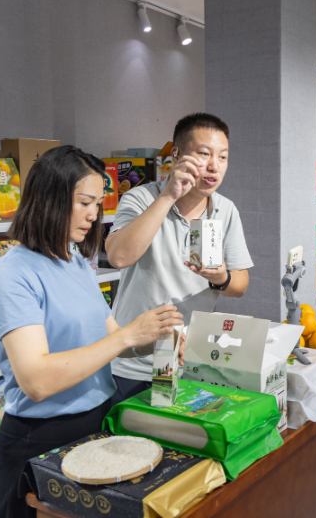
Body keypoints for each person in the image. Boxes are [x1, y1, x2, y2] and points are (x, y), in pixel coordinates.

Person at [0, 146, 184, 518]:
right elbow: (37, 381)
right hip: (40, 438)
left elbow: (111, 340)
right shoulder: (11, 276)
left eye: (98, 204)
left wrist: (153, 338)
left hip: (96, 424)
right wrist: (126, 336)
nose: (93, 215)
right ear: (49, 199)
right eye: (84, 203)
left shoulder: (75, 261)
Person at [106, 112, 253, 398]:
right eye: (204, 154)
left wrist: (221, 277)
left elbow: (240, 285)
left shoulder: (225, 210)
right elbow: (118, 257)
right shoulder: (140, 198)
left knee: (181, 427)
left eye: (223, 157)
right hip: (134, 362)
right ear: (176, 155)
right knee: (134, 426)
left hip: (192, 361)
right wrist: (169, 196)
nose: (214, 165)